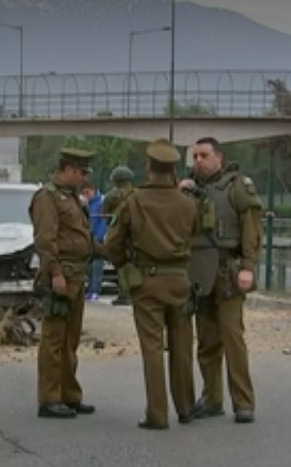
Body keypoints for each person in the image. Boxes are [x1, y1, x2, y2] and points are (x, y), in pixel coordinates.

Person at [104, 138, 199, 430]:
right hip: (180, 280)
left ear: (148, 168)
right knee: (183, 347)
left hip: (147, 280)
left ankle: (157, 414)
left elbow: (113, 244)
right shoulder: (188, 203)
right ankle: (185, 407)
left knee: (153, 347)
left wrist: (123, 266)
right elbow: (195, 237)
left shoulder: (134, 201)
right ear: (173, 170)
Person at [179, 137, 263, 424]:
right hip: (200, 272)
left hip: (229, 269)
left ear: (219, 157)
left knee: (232, 337)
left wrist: (249, 266)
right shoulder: (188, 189)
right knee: (206, 340)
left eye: (204, 155)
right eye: (195, 156)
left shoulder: (237, 186)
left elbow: (252, 229)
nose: (198, 161)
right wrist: (179, 194)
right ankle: (212, 398)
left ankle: (243, 401)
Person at [29, 147, 99, 419]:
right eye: (81, 172)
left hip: (77, 277)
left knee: (70, 341)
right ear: (68, 169)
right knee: (54, 341)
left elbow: (84, 238)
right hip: (61, 278)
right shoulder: (47, 198)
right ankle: (49, 398)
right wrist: (55, 273)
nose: (83, 178)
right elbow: (46, 240)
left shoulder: (70, 198)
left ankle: (69, 395)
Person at [102, 166, 135, 306]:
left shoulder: (111, 195)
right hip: (135, 235)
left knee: (121, 264)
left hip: (118, 235)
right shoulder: (137, 194)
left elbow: (105, 215)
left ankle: (124, 293)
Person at [81, 181, 107, 301]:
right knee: (89, 268)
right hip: (87, 239)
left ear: (93, 190)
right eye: (84, 193)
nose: (86, 195)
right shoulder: (85, 204)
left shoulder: (101, 202)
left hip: (98, 239)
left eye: (88, 192)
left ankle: (96, 290)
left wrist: (99, 237)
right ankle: (90, 290)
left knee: (97, 267)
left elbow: (103, 222)